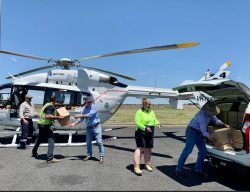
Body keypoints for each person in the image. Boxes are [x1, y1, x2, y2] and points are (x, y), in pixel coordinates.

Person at [175, 102, 230, 177]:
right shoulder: (202, 117)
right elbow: (204, 132)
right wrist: (214, 140)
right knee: (188, 150)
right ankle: (178, 169)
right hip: (192, 131)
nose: (213, 114)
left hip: (199, 132)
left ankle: (198, 170)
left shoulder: (211, 114)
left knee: (203, 151)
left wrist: (224, 124)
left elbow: (216, 121)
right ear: (208, 111)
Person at [70, 96, 105, 164]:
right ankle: (89, 155)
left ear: (90, 101)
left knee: (99, 142)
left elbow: (90, 115)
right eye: (86, 102)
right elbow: (81, 119)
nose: (86, 103)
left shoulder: (94, 107)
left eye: (88, 102)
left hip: (96, 127)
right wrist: (74, 123)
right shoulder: (85, 108)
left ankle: (101, 157)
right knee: (88, 142)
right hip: (89, 128)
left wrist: (79, 115)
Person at [32, 96, 64, 163]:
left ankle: (34, 152)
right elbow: (48, 116)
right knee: (51, 140)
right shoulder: (50, 106)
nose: (57, 103)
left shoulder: (46, 104)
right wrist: (58, 117)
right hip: (45, 125)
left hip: (41, 123)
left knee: (39, 138)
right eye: (56, 102)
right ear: (54, 100)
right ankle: (50, 158)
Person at [133, 97, 161, 175]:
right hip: (141, 132)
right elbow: (137, 122)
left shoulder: (151, 112)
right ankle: (136, 167)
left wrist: (158, 124)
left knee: (148, 148)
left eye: (150, 104)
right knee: (140, 148)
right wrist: (145, 128)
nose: (150, 106)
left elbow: (154, 120)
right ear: (144, 104)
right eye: (148, 104)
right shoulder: (139, 112)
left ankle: (147, 164)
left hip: (150, 131)